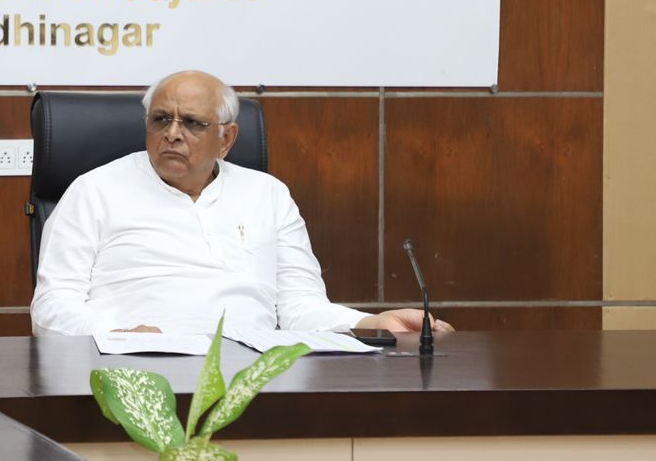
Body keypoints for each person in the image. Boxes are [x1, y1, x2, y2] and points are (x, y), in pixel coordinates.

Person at [31, 70, 454, 338]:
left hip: (254, 376)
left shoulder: (267, 195)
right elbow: (51, 309)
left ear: (227, 139)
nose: (172, 134)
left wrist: (368, 324)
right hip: (138, 373)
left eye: (193, 123)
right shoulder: (94, 191)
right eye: (161, 119)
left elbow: (298, 306)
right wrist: (119, 336)